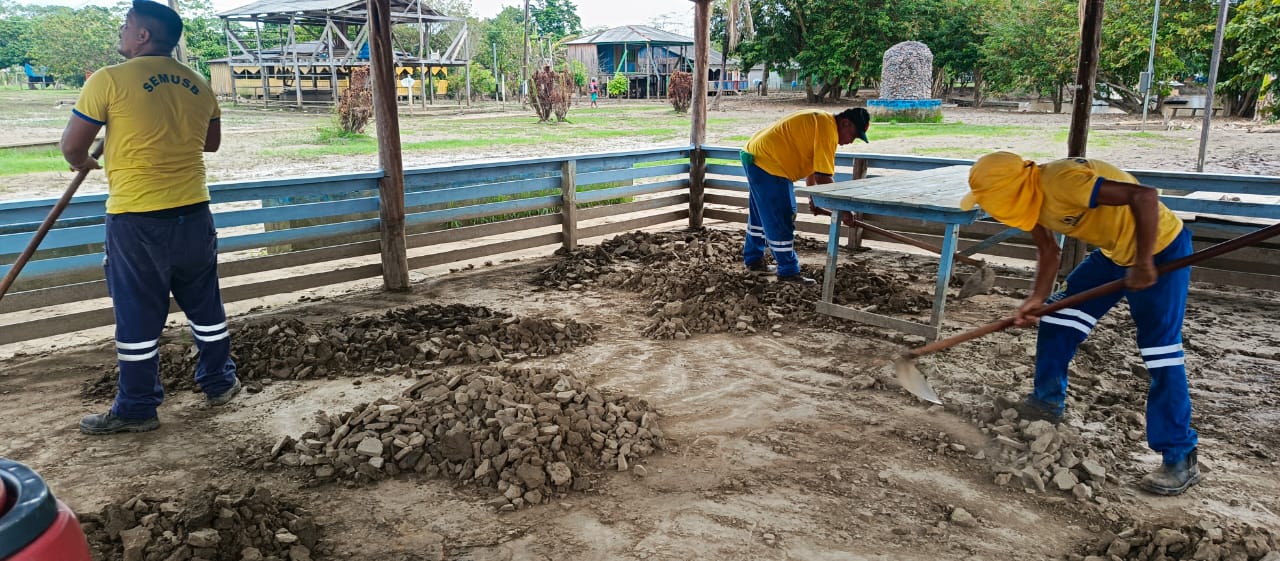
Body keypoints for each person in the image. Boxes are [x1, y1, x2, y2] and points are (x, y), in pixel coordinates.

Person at [963, 151, 1200, 496]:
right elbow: (1049, 250)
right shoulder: (1028, 202)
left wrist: (1145, 260)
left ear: (1011, 191)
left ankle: (1180, 456)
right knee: (1057, 317)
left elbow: (1144, 196)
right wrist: (1036, 299)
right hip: (1115, 254)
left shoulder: (1061, 182)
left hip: (1161, 248)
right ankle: (1046, 403)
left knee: (1159, 351)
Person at [62, 0, 239, 435]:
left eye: (126, 25)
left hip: (138, 218)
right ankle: (220, 382)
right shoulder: (199, 83)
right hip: (194, 213)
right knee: (205, 306)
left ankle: (137, 407)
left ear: (143, 36)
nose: (121, 32)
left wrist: (85, 162)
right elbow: (209, 144)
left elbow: (71, 146)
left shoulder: (108, 80)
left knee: (138, 315)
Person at [739, 108, 870, 284]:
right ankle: (788, 271)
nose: (850, 141)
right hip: (770, 164)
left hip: (756, 156)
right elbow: (823, 177)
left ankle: (754, 260)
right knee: (782, 215)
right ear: (845, 123)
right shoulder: (828, 130)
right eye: (853, 135)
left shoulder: (823, 121)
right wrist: (844, 210)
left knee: (761, 215)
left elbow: (814, 167)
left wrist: (813, 197)